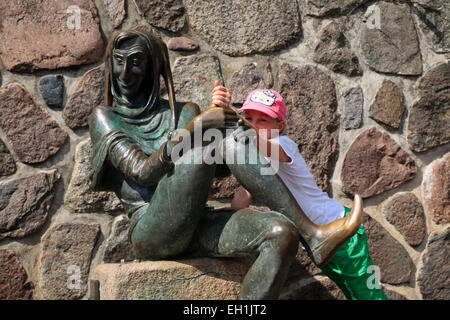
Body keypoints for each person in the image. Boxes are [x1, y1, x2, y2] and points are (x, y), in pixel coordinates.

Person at [88, 26, 363, 299]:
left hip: (198, 223)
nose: (124, 73)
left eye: (135, 63)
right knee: (203, 144)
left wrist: (228, 120)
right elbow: (141, 173)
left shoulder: (184, 112)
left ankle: (311, 236)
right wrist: (196, 130)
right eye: (119, 62)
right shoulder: (104, 118)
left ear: (153, 68)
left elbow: (219, 166)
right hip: (152, 232)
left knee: (282, 234)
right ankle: (313, 234)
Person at [212, 83, 390, 300]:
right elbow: (241, 198)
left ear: (280, 125)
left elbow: (256, 142)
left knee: (369, 295)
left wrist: (230, 114)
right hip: (322, 244)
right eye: (249, 118)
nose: (254, 125)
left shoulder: (283, 145)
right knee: (355, 295)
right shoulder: (255, 162)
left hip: (342, 232)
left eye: (263, 120)